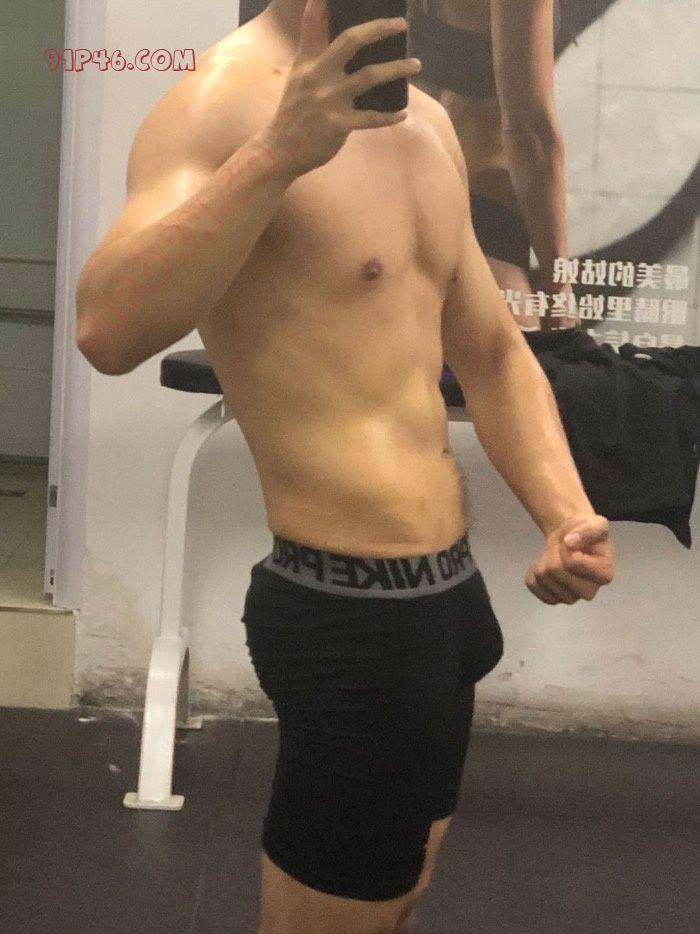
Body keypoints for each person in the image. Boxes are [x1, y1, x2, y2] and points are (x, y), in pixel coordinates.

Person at [74, 1, 615, 931]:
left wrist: (565, 513)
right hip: (346, 616)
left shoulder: (427, 120)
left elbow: (493, 353)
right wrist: (276, 154)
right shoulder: (218, 104)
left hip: (449, 604)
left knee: (396, 903)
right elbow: (104, 331)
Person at [409, 0, 579, 331]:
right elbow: (528, 131)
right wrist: (559, 286)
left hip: (404, 196)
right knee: (521, 357)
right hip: (480, 216)